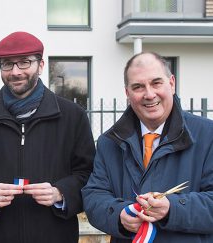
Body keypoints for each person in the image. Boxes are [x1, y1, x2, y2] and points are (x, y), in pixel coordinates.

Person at [0, 31, 95, 243]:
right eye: (7, 64)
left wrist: (60, 193)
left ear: (41, 65)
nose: (15, 72)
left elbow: (89, 175)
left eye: (24, 63)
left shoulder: (73, 117)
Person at [82, 51, 213, 242]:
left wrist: (172, 209)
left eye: (156, 83)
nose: (149, 94)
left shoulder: (207, 135)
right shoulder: (109, 142)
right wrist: (119, 215)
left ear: (172, 83)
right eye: (138, 87)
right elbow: (93, 196)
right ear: (127, 93)